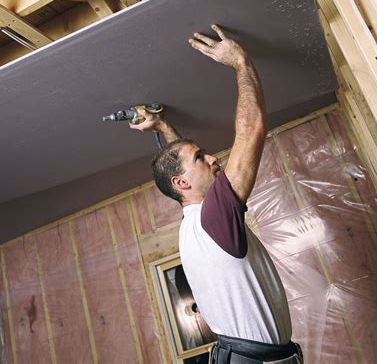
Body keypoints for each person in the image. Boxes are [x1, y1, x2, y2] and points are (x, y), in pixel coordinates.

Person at [129, 25, 303, 364]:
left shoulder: (200, 222)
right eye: (201, 158)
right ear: (181, 184)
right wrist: (241, 63)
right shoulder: (213, 219)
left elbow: (180, 168)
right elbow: (251, 129)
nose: (214, 158)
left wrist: (165, 128)